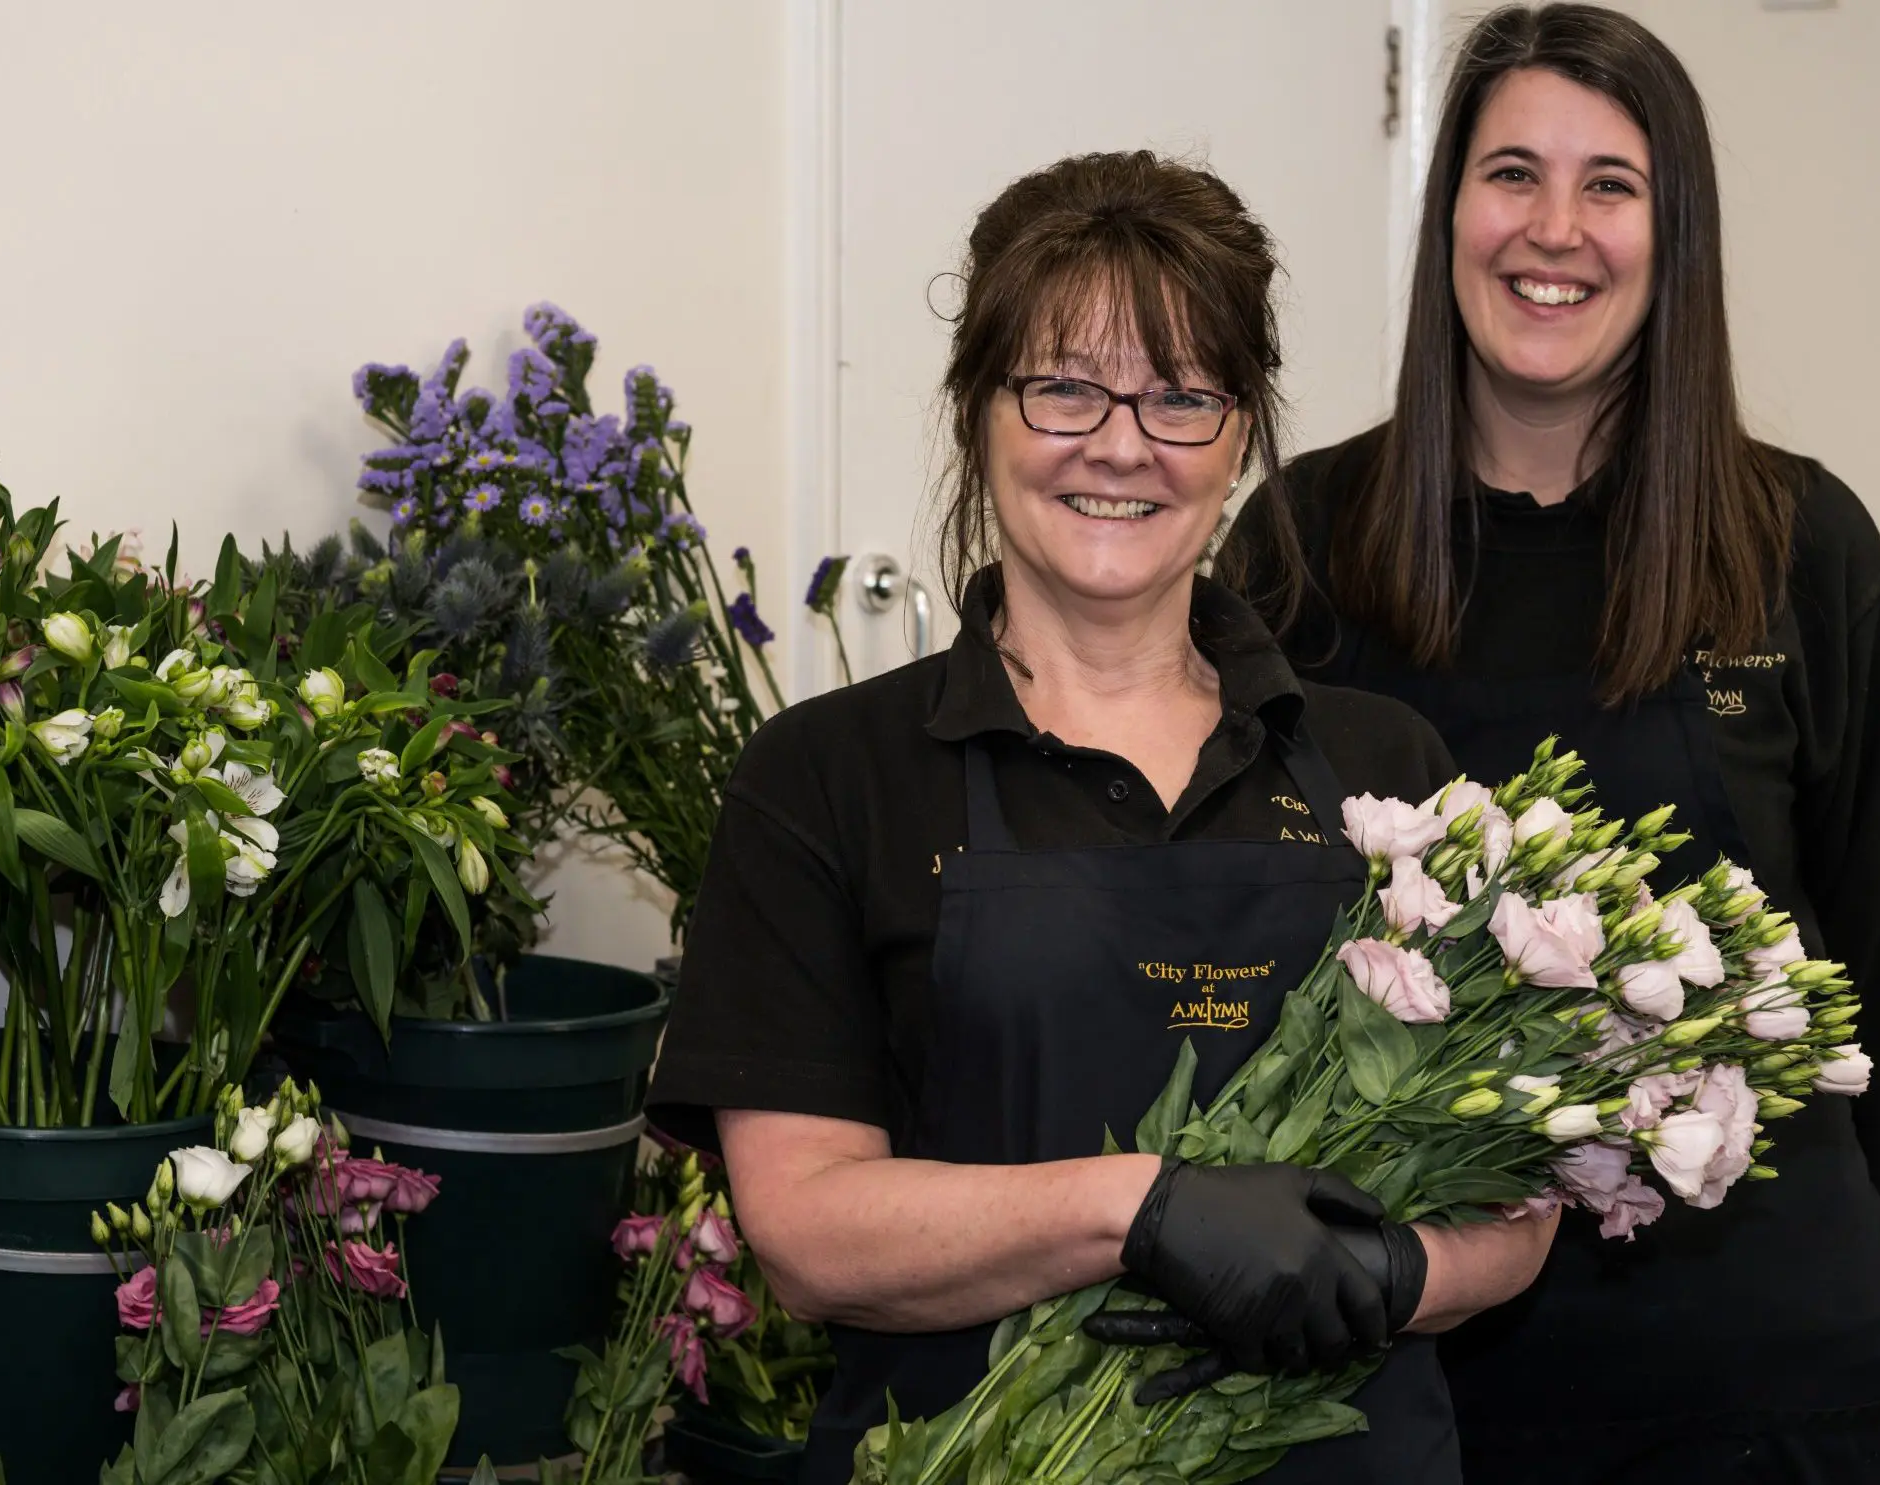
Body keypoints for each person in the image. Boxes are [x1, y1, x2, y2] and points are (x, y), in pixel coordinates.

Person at [647, 151, 1558, 1485]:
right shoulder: (830, 777)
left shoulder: (1384, 769)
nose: (1121, 443)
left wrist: (1388, 1271)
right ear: (978, 411)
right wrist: (1144, 1210)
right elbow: (806, 1233)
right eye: (1065, 386)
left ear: (1241, 435)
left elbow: (1521, 1199)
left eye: (1183, 397)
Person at [1226, 7, 1880, 1481]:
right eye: (1511, 175)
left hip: (1763, 1382)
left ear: (1676, 236)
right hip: (1398, 1372)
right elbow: (1230, 941)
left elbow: (1873, 979)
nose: (1556, 230)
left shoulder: (1801, 550)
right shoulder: (1304, 546)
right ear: (1448, 217)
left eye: (1612, 183)